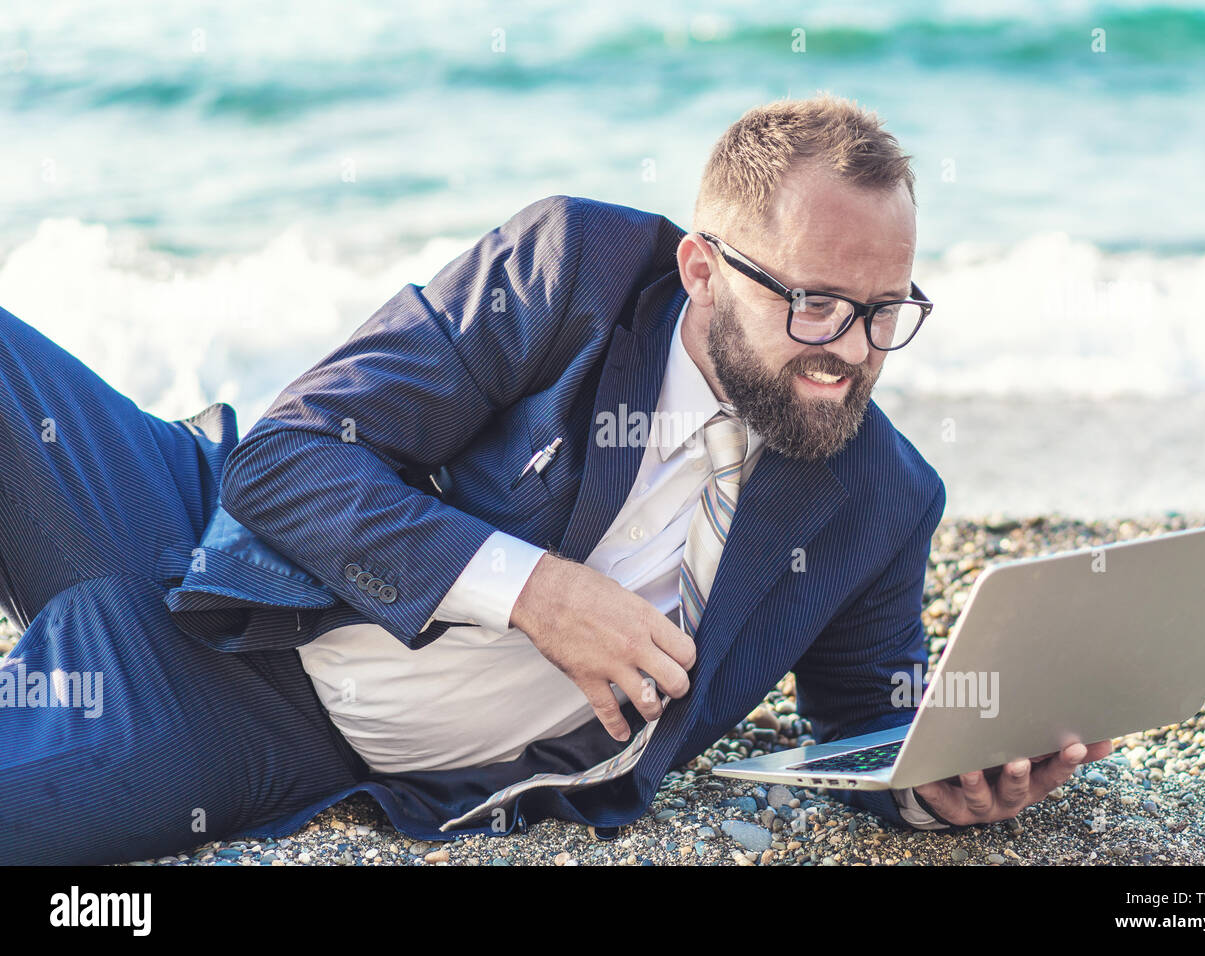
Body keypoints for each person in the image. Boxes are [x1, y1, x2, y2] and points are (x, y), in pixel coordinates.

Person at [0, 93, 1111, 865]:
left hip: (262, 714)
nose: (851, 353)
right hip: (184, 506)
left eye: (886, 312)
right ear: (700, 272)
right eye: (815, 305)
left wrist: (947, 789)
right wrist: (534, 591)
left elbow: (867, 725)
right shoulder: (571, 270)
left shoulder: (879, 493)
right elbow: (286, 457)